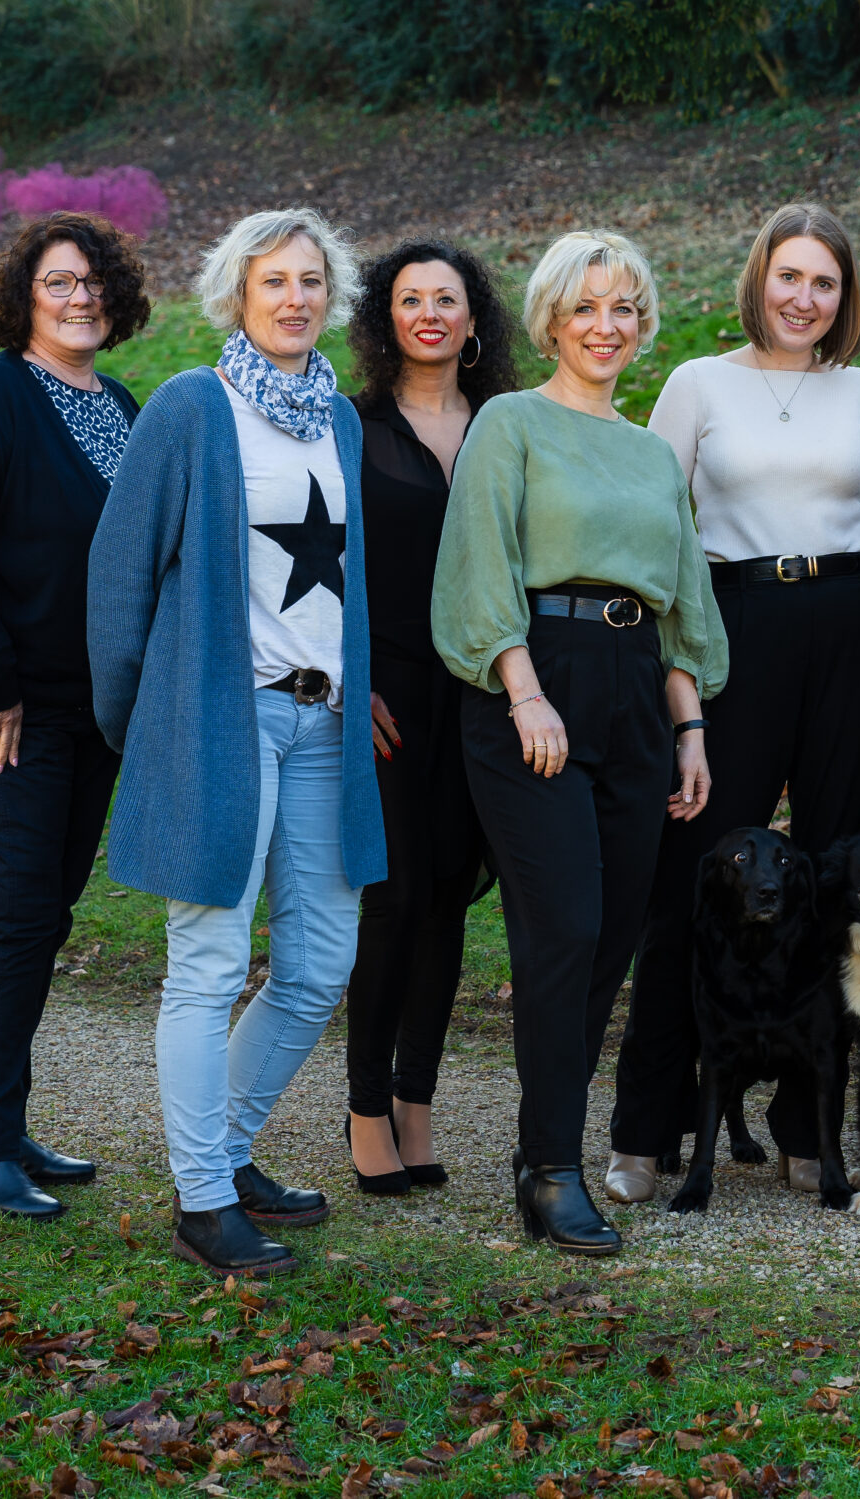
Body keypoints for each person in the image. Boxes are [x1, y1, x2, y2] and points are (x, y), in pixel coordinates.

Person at [90, 208, 385, 1279]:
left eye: (311, 281)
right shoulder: (190, 408)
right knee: (208, 963)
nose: (295, 299)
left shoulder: (340, 420)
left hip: (325, 722)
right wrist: (146, 725)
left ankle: (225, 1151)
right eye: (274, 282)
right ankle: (204, 1200)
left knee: (320, 961)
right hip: (221, 720)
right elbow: (119, 578)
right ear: (237, 295)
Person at [606, 203, 860, 1204]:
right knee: (693, 876)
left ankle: (806, 1125)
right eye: (789, 277)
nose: (803, 298)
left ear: (843, 295)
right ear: (759, 279)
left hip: (848, 627)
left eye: (824, 282)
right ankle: (647, 1124)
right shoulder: (698, 384)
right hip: (730, 627)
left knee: (832, 877)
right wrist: (675, 687)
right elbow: (656, 539)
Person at [433, 230, 726, 1257]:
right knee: (562, 926)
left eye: (625, 309)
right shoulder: (510, 423)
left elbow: (681, 601)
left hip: (636, 690)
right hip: (534, 681)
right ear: (552, 321)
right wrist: (524, 693)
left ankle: (541, 1147)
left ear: (642, 326)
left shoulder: (650, 453)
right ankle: (553, 1168)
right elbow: (480, 563)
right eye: (586, 308)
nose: (607, 326)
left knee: (610, 937)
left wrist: (690, 728)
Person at [0, 212, 150, 1220]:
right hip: (4, 707)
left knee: (45, 912)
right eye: (59, 282)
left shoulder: (122, 406)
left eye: (93, 282)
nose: (79, 297)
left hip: (90, 706)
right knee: (14, 909)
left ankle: (4, 1126)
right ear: (25, 297)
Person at [340, 240, 520, 1196]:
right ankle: (366, 1106)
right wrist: (354, 675)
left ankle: (418, 1101)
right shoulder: (354, 427)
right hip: (391, 693)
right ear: (386, 319)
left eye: (445, 299)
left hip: (481, 690)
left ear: (472, 316)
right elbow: (328, 563)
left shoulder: (506, 423)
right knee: (396, 895)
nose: (429, 315)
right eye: (410, 300)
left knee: (449, 895)